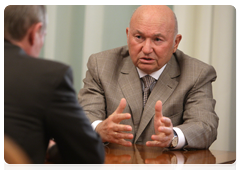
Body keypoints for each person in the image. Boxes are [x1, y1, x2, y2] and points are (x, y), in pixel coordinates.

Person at [78, 5, 219, 150]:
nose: (146, 49)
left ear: (175, 42)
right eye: (139, 37)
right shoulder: (102, 65)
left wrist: (174, 137)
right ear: (128, 35)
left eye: (157, 39)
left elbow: (205, 126)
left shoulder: (196, 73)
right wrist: (98, 129)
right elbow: (85, 114)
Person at [4, 5, 104, 170]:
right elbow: (90, 157)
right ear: (34, 32)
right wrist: (51, 148)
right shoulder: (48, 76)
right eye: (43, 35)